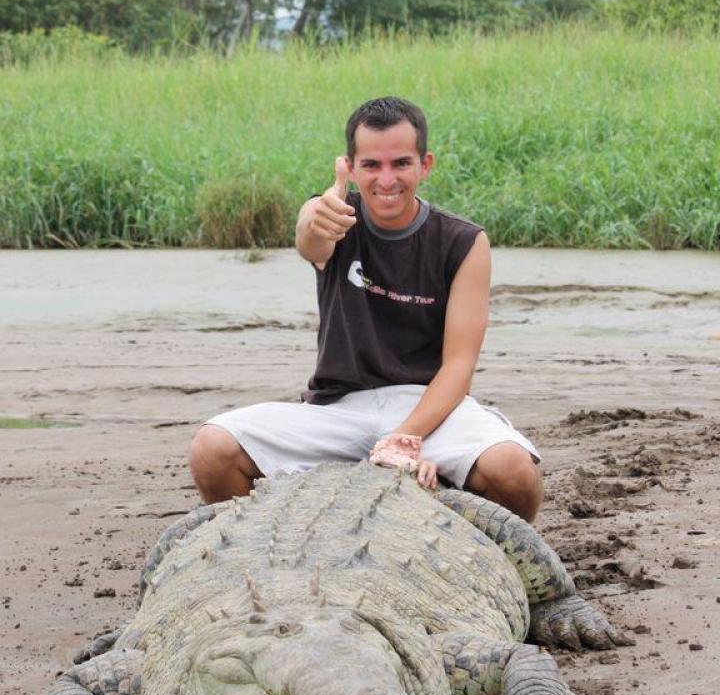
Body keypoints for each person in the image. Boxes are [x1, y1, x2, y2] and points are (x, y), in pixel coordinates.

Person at [190, 96, 542, 521]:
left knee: (514, 472)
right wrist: (317, 217)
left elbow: (459, 365)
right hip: (338, 408)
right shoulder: (334, 216)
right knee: (212, 449)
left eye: (401, 163)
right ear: (351, 168)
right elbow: (311, 238)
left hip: (429, 408)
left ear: (425, 165)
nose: (386, 179)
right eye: (371, 165)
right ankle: (257, 542)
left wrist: (403, 437)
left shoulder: (463, 242)